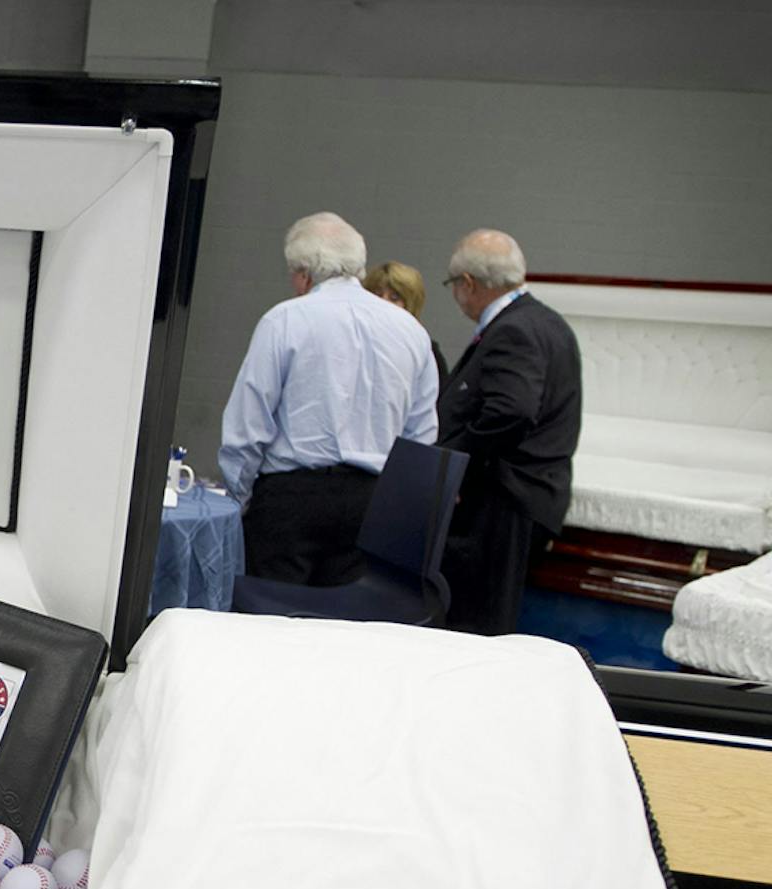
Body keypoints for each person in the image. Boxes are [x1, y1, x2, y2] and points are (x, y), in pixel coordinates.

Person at [220, 213, 439, 585]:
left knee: (269, 625)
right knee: (346, 628)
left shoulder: (284, 320)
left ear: (303, 273)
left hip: (290, 500)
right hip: (372, 504)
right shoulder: (412, 332)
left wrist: (236, 502)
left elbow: (249, 424)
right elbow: (422, 437)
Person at [437, 229, 581, 635]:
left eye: (453, 286)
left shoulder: (513, 329)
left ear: (468, 284)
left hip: (502, 502)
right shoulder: (549, 323)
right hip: (524, 497)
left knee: (476, 626)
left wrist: (456, 466)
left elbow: (511, 412)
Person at [362, 260, 451, 391]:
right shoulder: (356, 343)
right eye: (377, 295)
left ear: (410, 304)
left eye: (394, 298)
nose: (383, 302)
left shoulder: (426, 351)